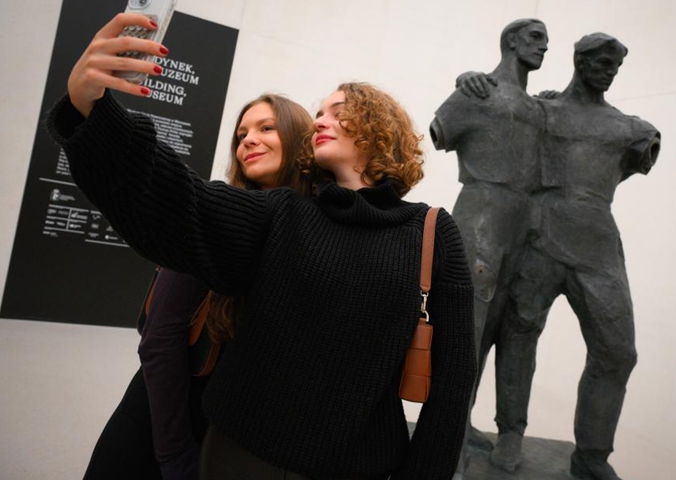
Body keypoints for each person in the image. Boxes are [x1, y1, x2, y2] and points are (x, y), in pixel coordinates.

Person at [49, 13, 476, 480]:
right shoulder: (283, 214)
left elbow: (451, 389)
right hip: (237, 458)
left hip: (355, 467)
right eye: (318, 114)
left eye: (337, 110)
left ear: (379, 126)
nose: (320, 121)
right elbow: (179, 202)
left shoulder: (431, 233)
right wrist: (90, 107)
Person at [453, 33, 661, 480]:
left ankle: (591, 456)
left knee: (618, 351)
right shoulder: (542, 111)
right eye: (601, 61)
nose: (608, 70)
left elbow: (634, 160)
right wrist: (470, 80)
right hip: (539, 239)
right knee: (517, 336)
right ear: (579, 61)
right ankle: (510, 432)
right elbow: (500, 103)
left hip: (598, 248)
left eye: (615, 65)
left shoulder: (632, 130)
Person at [82, 92, 315, 480]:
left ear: (298, 139)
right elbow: (159, 340)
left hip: (230, 443)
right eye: (241, 134)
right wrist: (175, 456)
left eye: (266, 128)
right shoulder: (216, 217)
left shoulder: (306, 231)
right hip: (163, 432)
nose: (248, 141)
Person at [429, 18, 549, 474]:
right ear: (512, 41)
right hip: (479, 214)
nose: (544, 48)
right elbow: (439, 129)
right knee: (466, 330)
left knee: (507, 327)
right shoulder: (476, 91)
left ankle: (482, 427)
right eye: (536, 38)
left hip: (525, 227)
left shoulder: (542, 108)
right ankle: (447, 438)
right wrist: (465, 79)